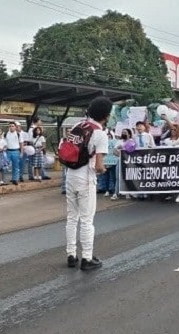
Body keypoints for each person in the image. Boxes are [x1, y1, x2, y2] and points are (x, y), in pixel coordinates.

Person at [65, 96, 111, 271]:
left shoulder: (78, 126)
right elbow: (99, 166)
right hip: (86, 177)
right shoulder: (100, 134)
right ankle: (87, 257)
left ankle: (71, 255)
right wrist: (103, 169)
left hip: (70, 174)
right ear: (106, 116)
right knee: (86, 219)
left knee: (72, 217)